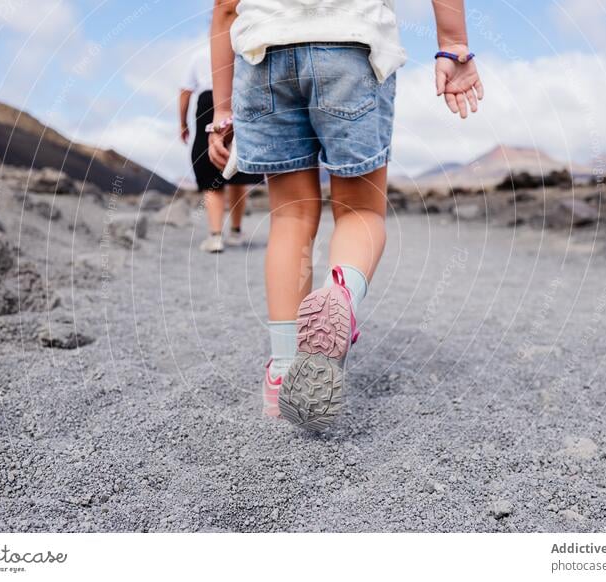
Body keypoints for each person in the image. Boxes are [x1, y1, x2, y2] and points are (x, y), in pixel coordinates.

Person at [208, 0, 484, 427]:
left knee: (290, 218)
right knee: (360, 211)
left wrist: (222, 110)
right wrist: (453, 45)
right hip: (350, 45)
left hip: (263, 55)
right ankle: (339, 295)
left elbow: (226, 7)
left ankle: (283, 371)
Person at [180, 43, 263, 253]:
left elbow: (185, 91)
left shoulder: (199, 54)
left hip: (209, 100)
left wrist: (182, 123)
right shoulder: (245, 47)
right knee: (238, 166)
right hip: (241, 95)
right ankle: (235, 232)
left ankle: (215, 236)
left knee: (210, 170)